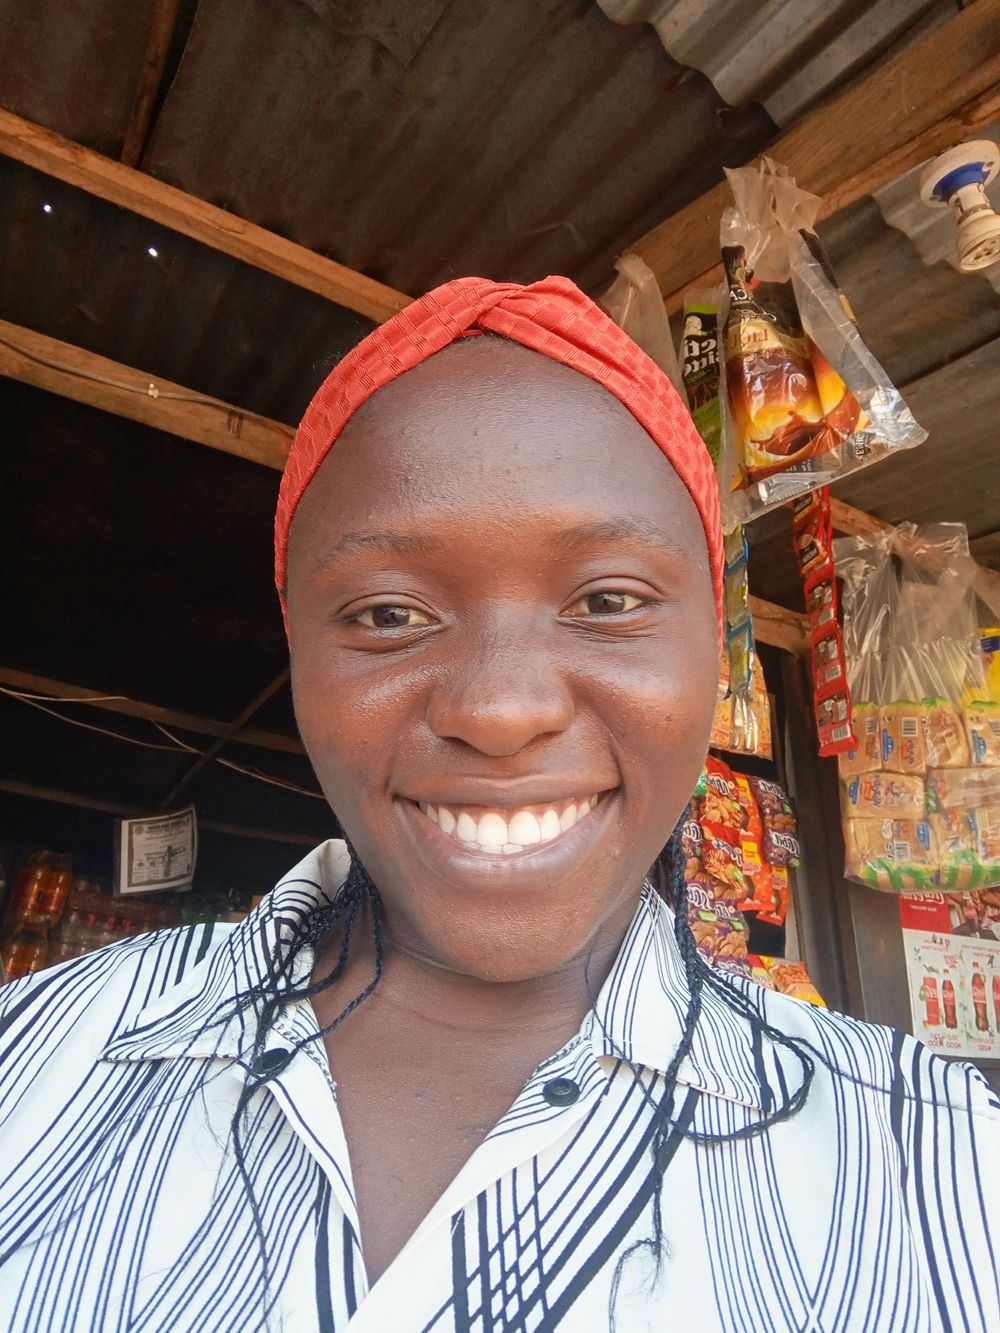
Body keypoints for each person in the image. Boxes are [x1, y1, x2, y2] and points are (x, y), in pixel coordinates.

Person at [0, 277, 997, 1332]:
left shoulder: (940, 1164)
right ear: (300, 658)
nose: (500, 710)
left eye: (607, 600)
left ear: (714, 648)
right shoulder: (36, 1058)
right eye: (389, 613)